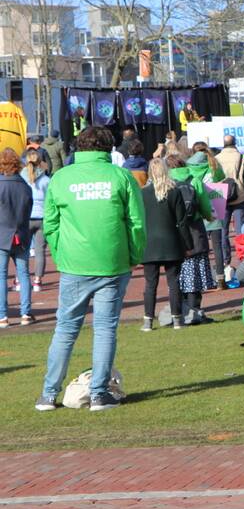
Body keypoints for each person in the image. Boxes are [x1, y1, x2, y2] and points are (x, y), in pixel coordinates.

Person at [36, 126, 145, 412]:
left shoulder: (61, 178)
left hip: (75, 264)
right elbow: (136, 222)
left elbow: (51, 224)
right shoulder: (121, 177)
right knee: (104, 329)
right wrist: (133, 255)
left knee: (65, 328)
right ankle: (98, 393)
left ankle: (48, 395)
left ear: (78, 148)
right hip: (112, 262)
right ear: (109, 150)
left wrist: (61, 255)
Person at [140, 158, 190, 331]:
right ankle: (177, 319)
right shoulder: (175, 192)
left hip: (149, 243)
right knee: (173, 282)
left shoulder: (143, 193)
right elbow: (182, 221)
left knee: (150, 284)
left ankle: (148, 321)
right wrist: (188, 244)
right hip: (171, 242)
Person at [167, 155, 216, 325]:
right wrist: (208, 216)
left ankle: (180, 310)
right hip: (195, 229)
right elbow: (204, 205)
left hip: (174, 230)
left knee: (176, 272)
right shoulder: (194, 180)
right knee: (196, 271)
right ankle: (196, 309)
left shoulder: (166, 182)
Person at [0, 149, 33, 328]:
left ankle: (3, 316)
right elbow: (27, 211)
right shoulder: (25, 186)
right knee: (24, 274)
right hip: (21, 234)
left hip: (2, 235)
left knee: (1, 277)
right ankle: (26, 313)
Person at [186, 144, 227, 289]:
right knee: (217, 245)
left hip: (196, 205)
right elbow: (222, 178)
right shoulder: (214, 164)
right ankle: (221, 278)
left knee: (197, 244)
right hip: (215, 202)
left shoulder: (188, 165)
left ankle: (199, 279)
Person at [215, 135, 244, 254]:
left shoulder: (215, 159)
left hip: (220, 196)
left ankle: (225, 259)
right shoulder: (242, 158)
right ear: (235, 143)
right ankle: (242, 256)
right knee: (241, 231)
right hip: (240, 196)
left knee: (222, 231)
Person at [21, 149, 50, 293]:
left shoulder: (21, 177)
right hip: (42, 218)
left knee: (22, 251)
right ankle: (38, 281)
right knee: (40, 251)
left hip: (25, 218)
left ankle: (20, 279)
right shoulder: (46, 180)